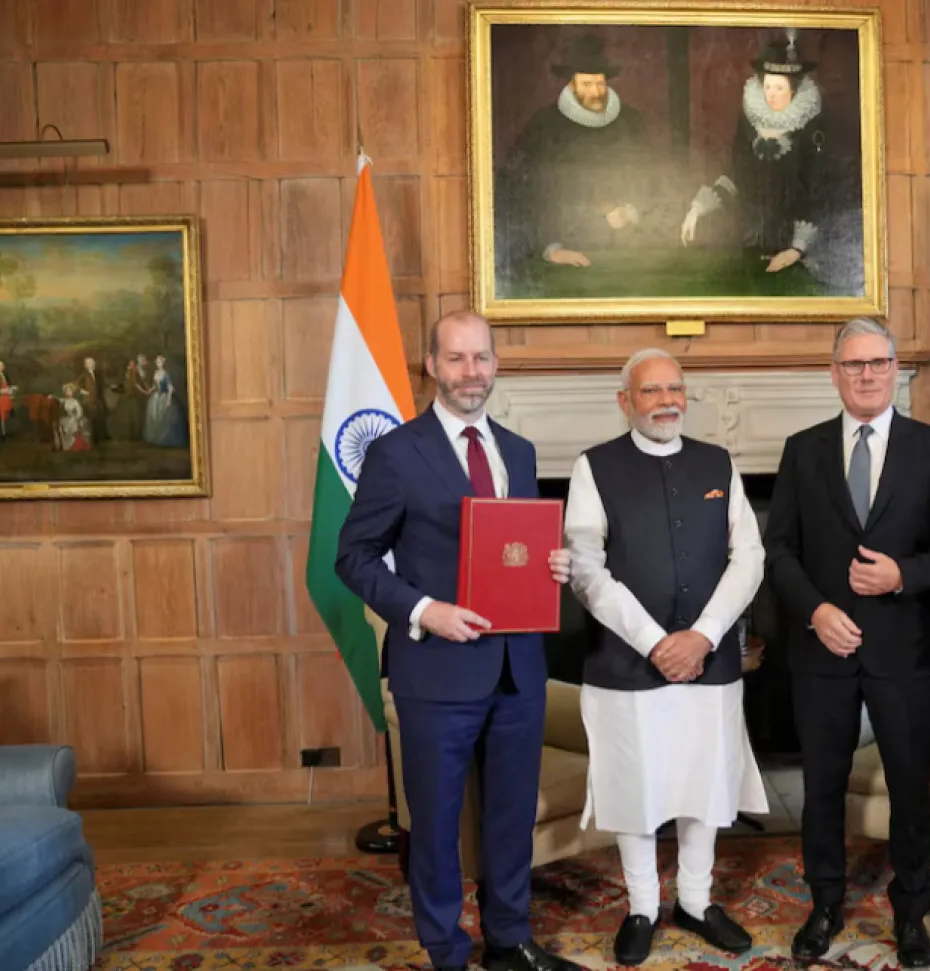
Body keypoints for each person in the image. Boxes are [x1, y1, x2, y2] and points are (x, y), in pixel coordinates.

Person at [335, 310, 583, 971]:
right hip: (437, 668)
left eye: (482, 358)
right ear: (432, 366)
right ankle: (446, 949)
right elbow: (353, 557)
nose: (471, 371)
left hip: (518, 669)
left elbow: (513, 551)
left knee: (509, 817)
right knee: (438, 825)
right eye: (457, 358)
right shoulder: (396, 452)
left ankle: (509, 938)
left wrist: (552, 564)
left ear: (496, 364)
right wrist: (423, 609)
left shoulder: (519, 451)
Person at [764, 317, 930, 968]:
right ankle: (824, 903)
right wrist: (817, 609)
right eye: (853, 365)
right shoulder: (802, 449)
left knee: (911, 784)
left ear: (895, 369)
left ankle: (912, 912)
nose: (867, 374)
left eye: (878, 362)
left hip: (903, 647)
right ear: (834, 373)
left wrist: (903, 575)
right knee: (821, 784)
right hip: (820, 646)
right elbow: (780, 549)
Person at [563, 348, 768, 966]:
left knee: (705, 782)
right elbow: (584, 571)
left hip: (709, 661)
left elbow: (750, 558)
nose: (666, 401)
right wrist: (656, 642)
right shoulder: (593, 467)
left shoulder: (718, 462)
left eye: (675, 389)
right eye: (651, 391)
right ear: (626, 401)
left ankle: (697, 901)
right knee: (636, 787)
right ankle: (643, 906)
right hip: (627, 664)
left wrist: (702, 635)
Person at [680, 30, 858, 291]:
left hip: (799, 247)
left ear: (794, 90)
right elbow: (736, 175)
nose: (771, 94)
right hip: (752, 239)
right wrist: (698, 209)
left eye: (779, 87)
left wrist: (797, 249)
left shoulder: (814, 128)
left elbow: (820, 192)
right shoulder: (749, 123)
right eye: (767, 87)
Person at [494, 34, 655, 277]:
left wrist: (632, 210)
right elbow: (517, 192)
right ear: (571, 85)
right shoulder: (543, 125)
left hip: (629, 249)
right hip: (564, 250)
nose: (595, 91)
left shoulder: (630, 121)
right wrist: (550, 249)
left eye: (600, 84)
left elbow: (656, 179)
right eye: (587, 85)